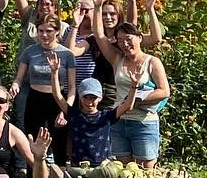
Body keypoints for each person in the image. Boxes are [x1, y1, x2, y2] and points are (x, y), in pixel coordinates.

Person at [95, 19, 171, 168]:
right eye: (120, 40)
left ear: (140, 38)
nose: (124, 44)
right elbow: (99, 35)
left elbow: (164, 91)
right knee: (123, 170)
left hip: (144, 122)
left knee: (145, 170)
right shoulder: (117, 59)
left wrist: (136, 99)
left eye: (128, 39)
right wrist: (97, 8)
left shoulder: (152, 62)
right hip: (119, 122)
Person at [12, 18, 75, 159]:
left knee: (59, 147)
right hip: (35, 99)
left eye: (49, 31)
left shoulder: (67, 54)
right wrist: (15, 85)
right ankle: (33, 173)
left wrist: (66, 110)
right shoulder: (30, 51)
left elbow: (72, 87)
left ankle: (59, 173)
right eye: (41, 31)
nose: (44, 35)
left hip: (58, 101)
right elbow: (19, 78)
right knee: (34, 144)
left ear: (57, 31)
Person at [57, 77, 134, 166]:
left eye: (93, 98)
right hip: (79, 165)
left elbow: (128, 105)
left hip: (103, 165)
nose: (89, 102)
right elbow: (57, 96)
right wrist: (54, 73)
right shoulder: (74, 114)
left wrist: (134, 86)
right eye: (85, 97)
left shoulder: (106, 116)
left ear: (100, 98)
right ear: (80, 97)